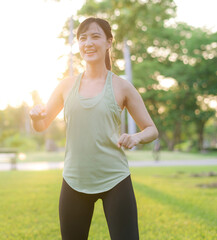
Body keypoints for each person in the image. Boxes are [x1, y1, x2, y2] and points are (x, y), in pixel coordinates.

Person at [29, 17, 158, 240]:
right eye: (82, 38)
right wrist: (34, 117)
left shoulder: (121, 86)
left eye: (95, 36)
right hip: (74, 179)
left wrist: (135, 138)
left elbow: (151, 130)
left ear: (108, 42)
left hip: (115, 179)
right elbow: (42, 125)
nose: (88, 42)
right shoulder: (65, 86)